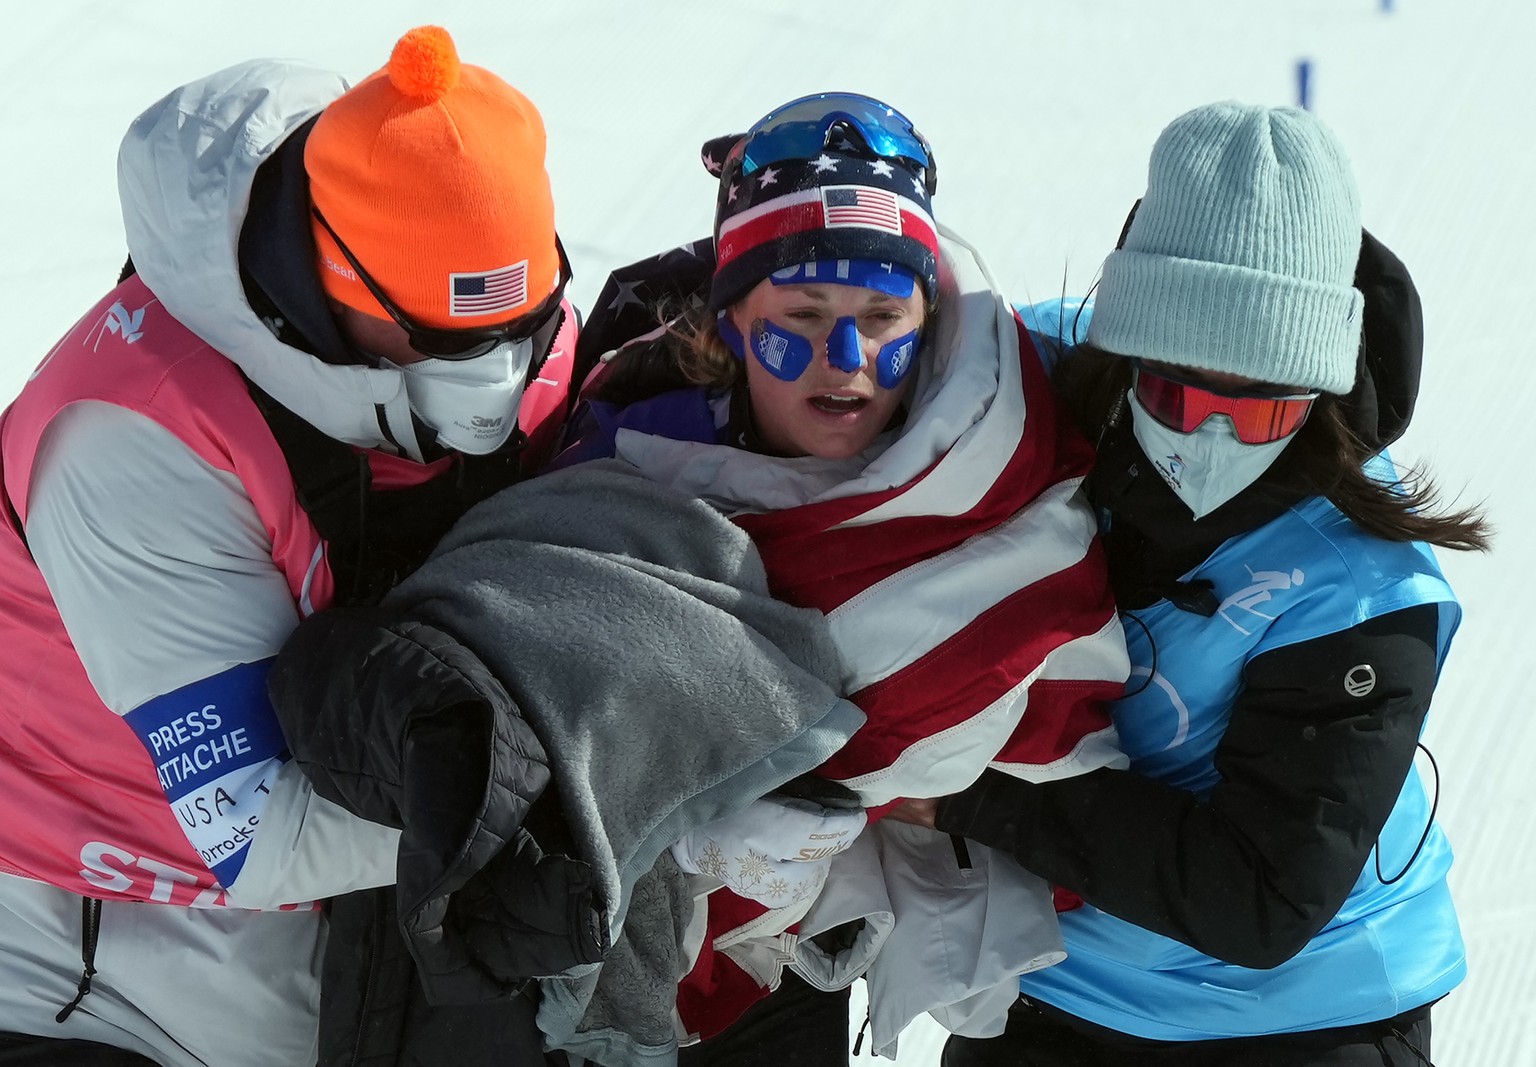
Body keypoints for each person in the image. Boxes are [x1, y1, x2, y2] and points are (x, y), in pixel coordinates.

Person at [0, 26, 577, 1067]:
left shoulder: (506, 319)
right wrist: (597, 813)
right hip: (89, 929)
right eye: (442, 343)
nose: (494, 379)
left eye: (518, 326)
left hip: (346, 900)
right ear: (329, 291)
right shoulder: (135, 438)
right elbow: (259, 831)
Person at [553, 93, 1132, 1062]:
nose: (848, 359)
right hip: (608, 963)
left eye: (880, 317)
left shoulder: (988, 465)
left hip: (790, 971)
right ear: (733, 318)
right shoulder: (623, 458)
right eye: (803, 317)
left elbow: (1032, 658)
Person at [914, 102, 1490, 1066]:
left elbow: (1261, 894)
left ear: (1317, 397)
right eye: (1179, 395)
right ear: (1128, 352)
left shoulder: (1361, 589)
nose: (1208, 441)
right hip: (1058, 983)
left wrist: (966, 796)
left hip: (1302, 1014)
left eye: (1259, 412)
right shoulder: (1036, 386)